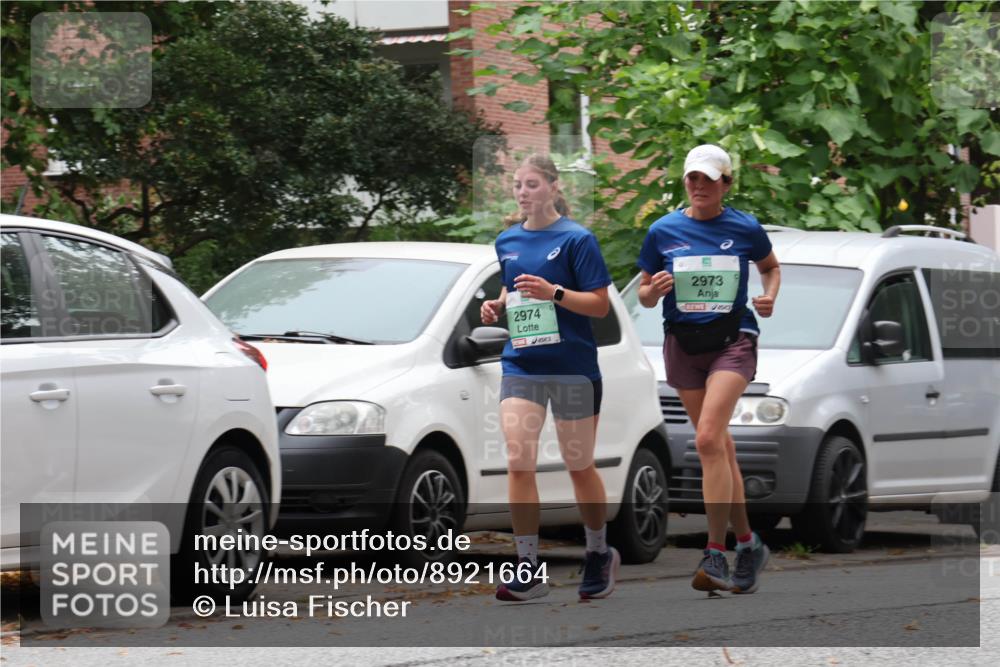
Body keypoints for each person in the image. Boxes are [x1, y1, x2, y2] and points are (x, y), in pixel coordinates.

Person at [637, 144, 781, 594]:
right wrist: (653, 291)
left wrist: (768, 296)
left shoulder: (743, 227)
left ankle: (715, 552)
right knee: (721, 449)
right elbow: (642, 292)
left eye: (708, 179)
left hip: (733, 341)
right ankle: (749, 543)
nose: (699, 187)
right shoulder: (663, 231)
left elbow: (771, 268)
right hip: (683, 344)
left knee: (705, 440)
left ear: (726, 183)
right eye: (692, 179)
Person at [481, 153, 620, 602]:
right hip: (522, 363)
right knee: (519, 459)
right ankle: (528, 567)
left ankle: (598, 551)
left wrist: (555, 293)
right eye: (518, 185)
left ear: (554, 188)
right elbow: (513, 284)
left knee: (578, 464)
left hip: (573, 368)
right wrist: (498, 305)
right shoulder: (507, 241)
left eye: (532, 184)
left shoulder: (578, 240)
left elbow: (599, 305)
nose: (523, 192)